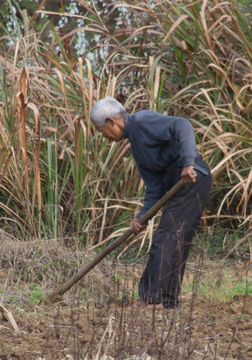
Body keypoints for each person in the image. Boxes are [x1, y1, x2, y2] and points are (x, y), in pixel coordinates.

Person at [90, 96, 212, 309]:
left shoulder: (142, 121)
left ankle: (149, 297)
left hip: (191, 179)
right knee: (177, 240)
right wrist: (142, 217)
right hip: (178, 182)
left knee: (166, 236)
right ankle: (169, 300)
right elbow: (154, 189)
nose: (105, 137)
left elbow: (182, 124)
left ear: (111, 121)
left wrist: (188, 163)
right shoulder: (136, 145)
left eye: (103, 131)